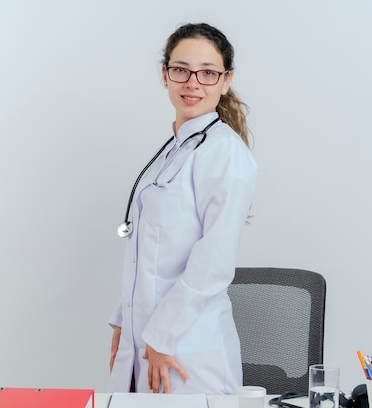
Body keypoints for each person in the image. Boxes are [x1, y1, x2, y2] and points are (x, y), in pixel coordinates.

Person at [108, 22, 258, 395]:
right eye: (181, 70)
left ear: (226, 80)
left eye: (208, 73)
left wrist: (160, 337)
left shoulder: (224, 152)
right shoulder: (172, 150)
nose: (193, 83)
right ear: (165, 75)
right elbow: (151, 253)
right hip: (145, 340)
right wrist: (122, 321)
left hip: (185, 351)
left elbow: (214, 261)